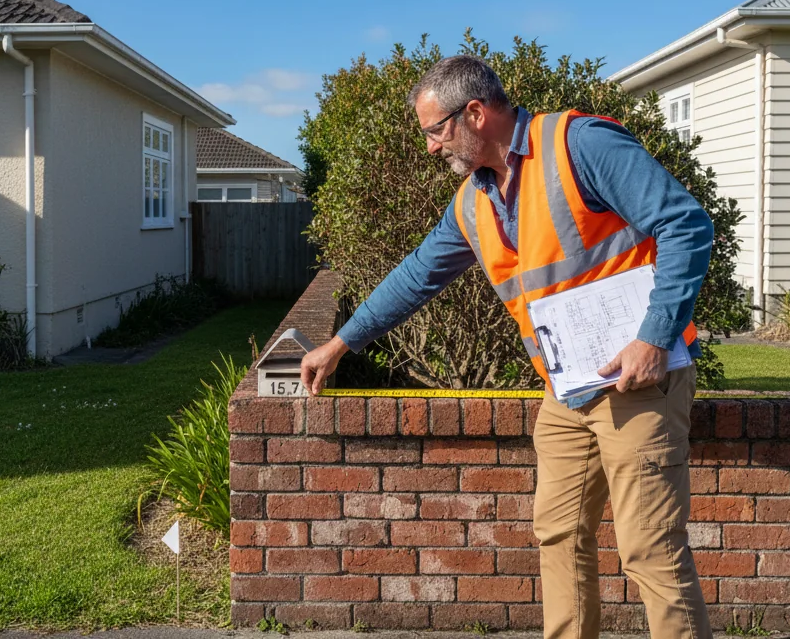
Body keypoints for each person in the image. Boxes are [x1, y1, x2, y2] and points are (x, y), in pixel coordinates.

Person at [298, 55, 714, 639]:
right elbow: (418, 275)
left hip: (637, 384)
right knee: (560, 537)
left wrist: (654, 336)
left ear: (474, 113)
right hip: (566, 394)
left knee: (649, 548)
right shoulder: (475, 200)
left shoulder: (578, 146)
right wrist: (340, 343)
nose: (430, 147)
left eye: (435, 130)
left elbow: (686, 224)